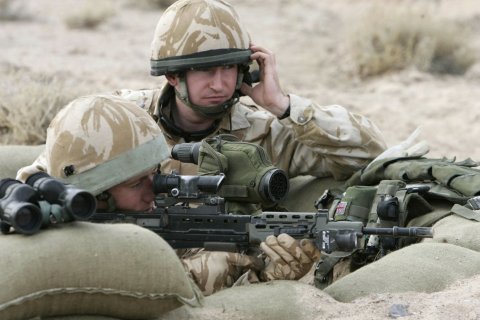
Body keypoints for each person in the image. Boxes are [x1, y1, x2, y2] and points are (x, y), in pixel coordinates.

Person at [31, 93, 321, 295]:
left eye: (154, 175)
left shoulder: (156, 219)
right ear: (94, 197)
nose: (153, 192)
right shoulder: (54, 241)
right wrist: (197, 276)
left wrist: (268, 277)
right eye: (135, 184)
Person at [113, 0, 387, 179]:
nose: (220, 84)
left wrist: (284, 106)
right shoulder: (124, 119)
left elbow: (370, 153)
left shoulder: (264, 135)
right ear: (173, 75)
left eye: (229, 69)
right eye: (206, 71)